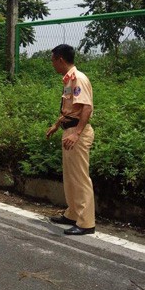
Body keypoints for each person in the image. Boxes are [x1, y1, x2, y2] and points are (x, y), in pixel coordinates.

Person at [46, 44, 96, 235]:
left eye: (52, 60)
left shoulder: (79, 79)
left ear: (60, 59)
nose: (52, 65)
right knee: (70, 178)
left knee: (81, 178)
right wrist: (57, 125)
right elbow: (70, 109)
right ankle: (73, 214)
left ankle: (86, 223)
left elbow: (86, 108)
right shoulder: (68, 80)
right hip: (70, 130)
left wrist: (76, 133)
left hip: (78, 133)